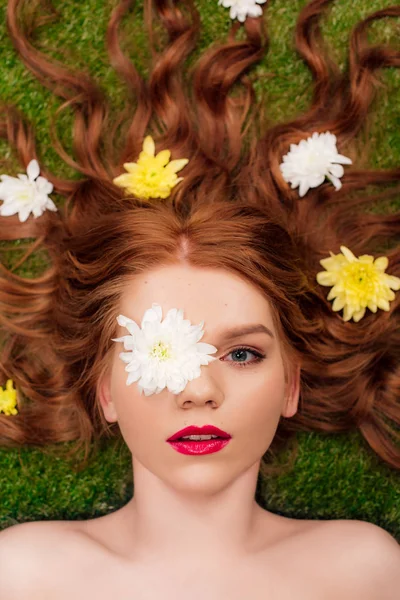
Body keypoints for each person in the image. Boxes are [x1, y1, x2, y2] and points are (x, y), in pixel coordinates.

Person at [0, 0, 399, 597]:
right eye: (160, 351)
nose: (199, 391)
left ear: (291, 386)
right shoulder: (22, 573)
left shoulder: (363, 569)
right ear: (106, 391)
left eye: (242, 355)